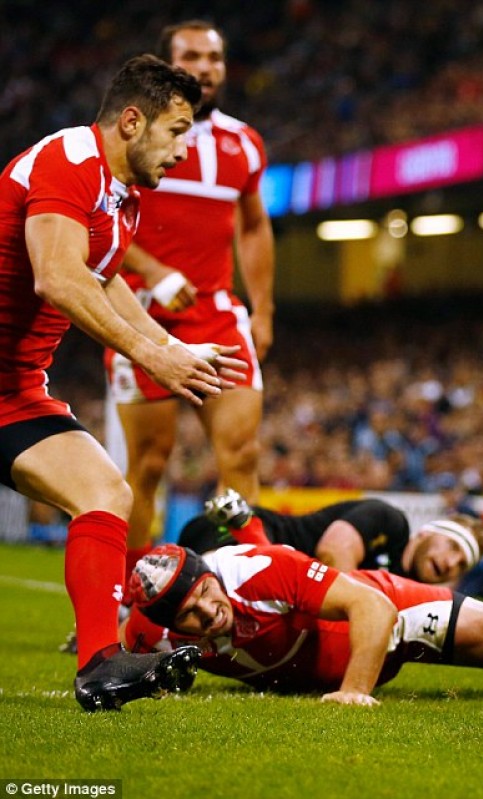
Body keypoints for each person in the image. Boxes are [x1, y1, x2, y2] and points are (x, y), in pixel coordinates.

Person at [0, 54, 249, 711]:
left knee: (105, 492)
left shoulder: (123, 200)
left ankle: (100, 665)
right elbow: (58, 275)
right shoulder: (68, 161)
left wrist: (171, 348)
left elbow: (105, 279)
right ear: (132, 122)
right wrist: (148, 355)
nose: (184, 150)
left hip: (14, 391)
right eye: (177, 131)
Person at [121, 542, 483, 706]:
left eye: (205, 594)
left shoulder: (261, 570)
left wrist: (353, 692)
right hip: (327, 658)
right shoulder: (149, 633)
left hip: (394, 611)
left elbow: (371, 610)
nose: (208, 612)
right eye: (191, 614)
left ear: (210, 574)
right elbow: (119, 652)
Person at [106, 20, 275, 578]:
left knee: (242, 453)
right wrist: (153, 271)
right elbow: (98, 213)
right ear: (167, 65)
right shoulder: (133, 133)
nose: (205, 67)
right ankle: (130, 594)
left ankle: (238, 586)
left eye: (214, 57)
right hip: (138, 313)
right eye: (192, 56)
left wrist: (264, 308)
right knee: (149, 463)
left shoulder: (244, 144)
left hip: (217, 313)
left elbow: (254, 226)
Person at [179, 489, 483, 585]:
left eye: (461, 564)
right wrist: (359, 609)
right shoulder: (391, 522)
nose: (450, 563)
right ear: (427, 532)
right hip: (231, 534)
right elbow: (332, 552)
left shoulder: (407, 588)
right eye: (452, 547)